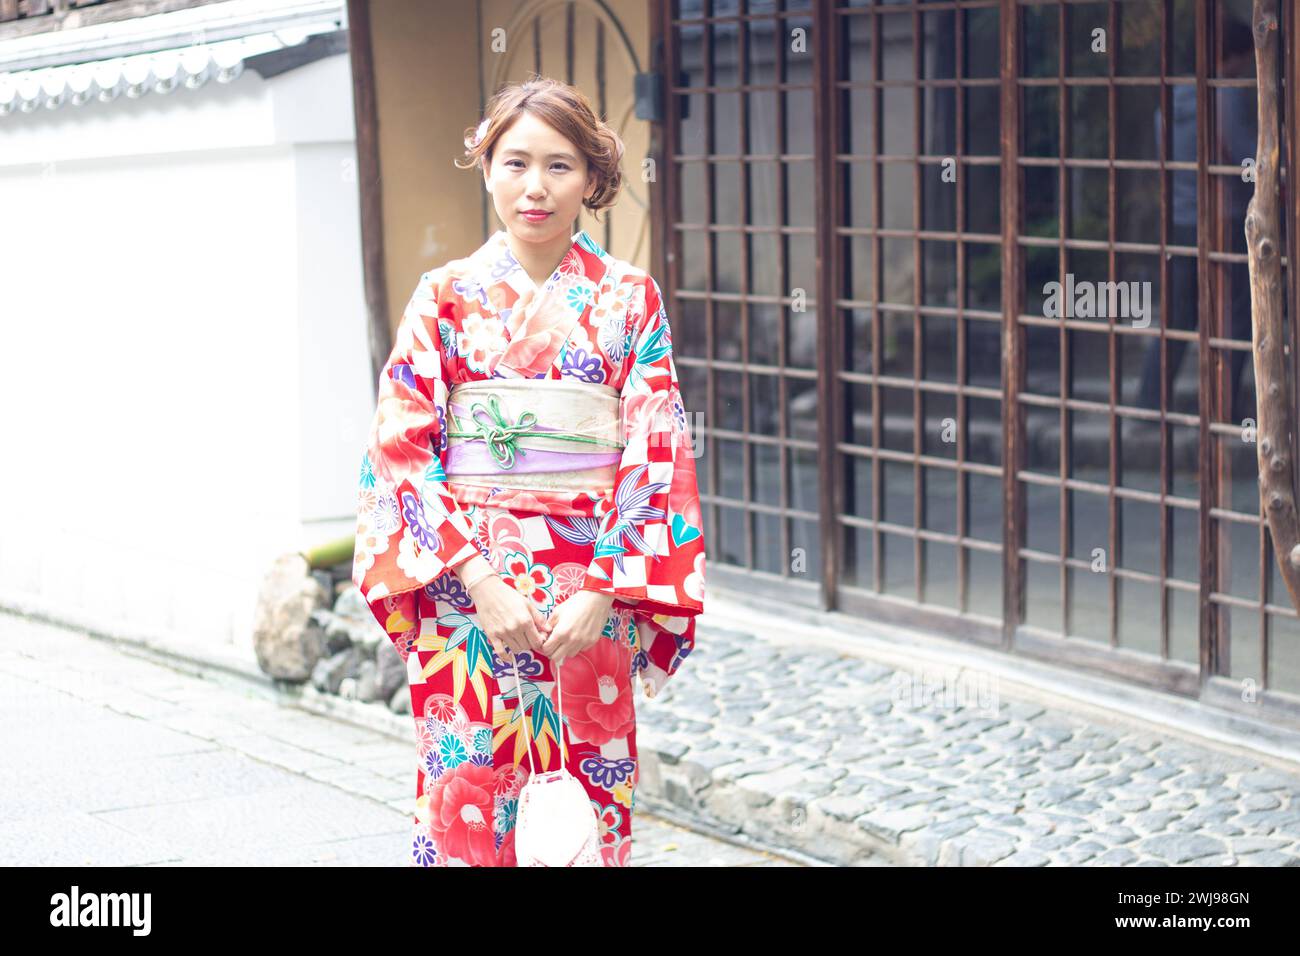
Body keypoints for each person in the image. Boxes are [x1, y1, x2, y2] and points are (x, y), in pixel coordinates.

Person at [351, 76, 707, 867]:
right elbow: (400, 445)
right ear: (486, 169)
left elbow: (656, 449)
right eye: (515, 163)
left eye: (559, 166)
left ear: (592, 178)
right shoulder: (443, 297)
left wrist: (603, 589)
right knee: (468, 798)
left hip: (590, 597)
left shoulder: (629, 298)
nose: (535, 188)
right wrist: (478, 578)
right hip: (464, 597)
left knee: (583, 813)